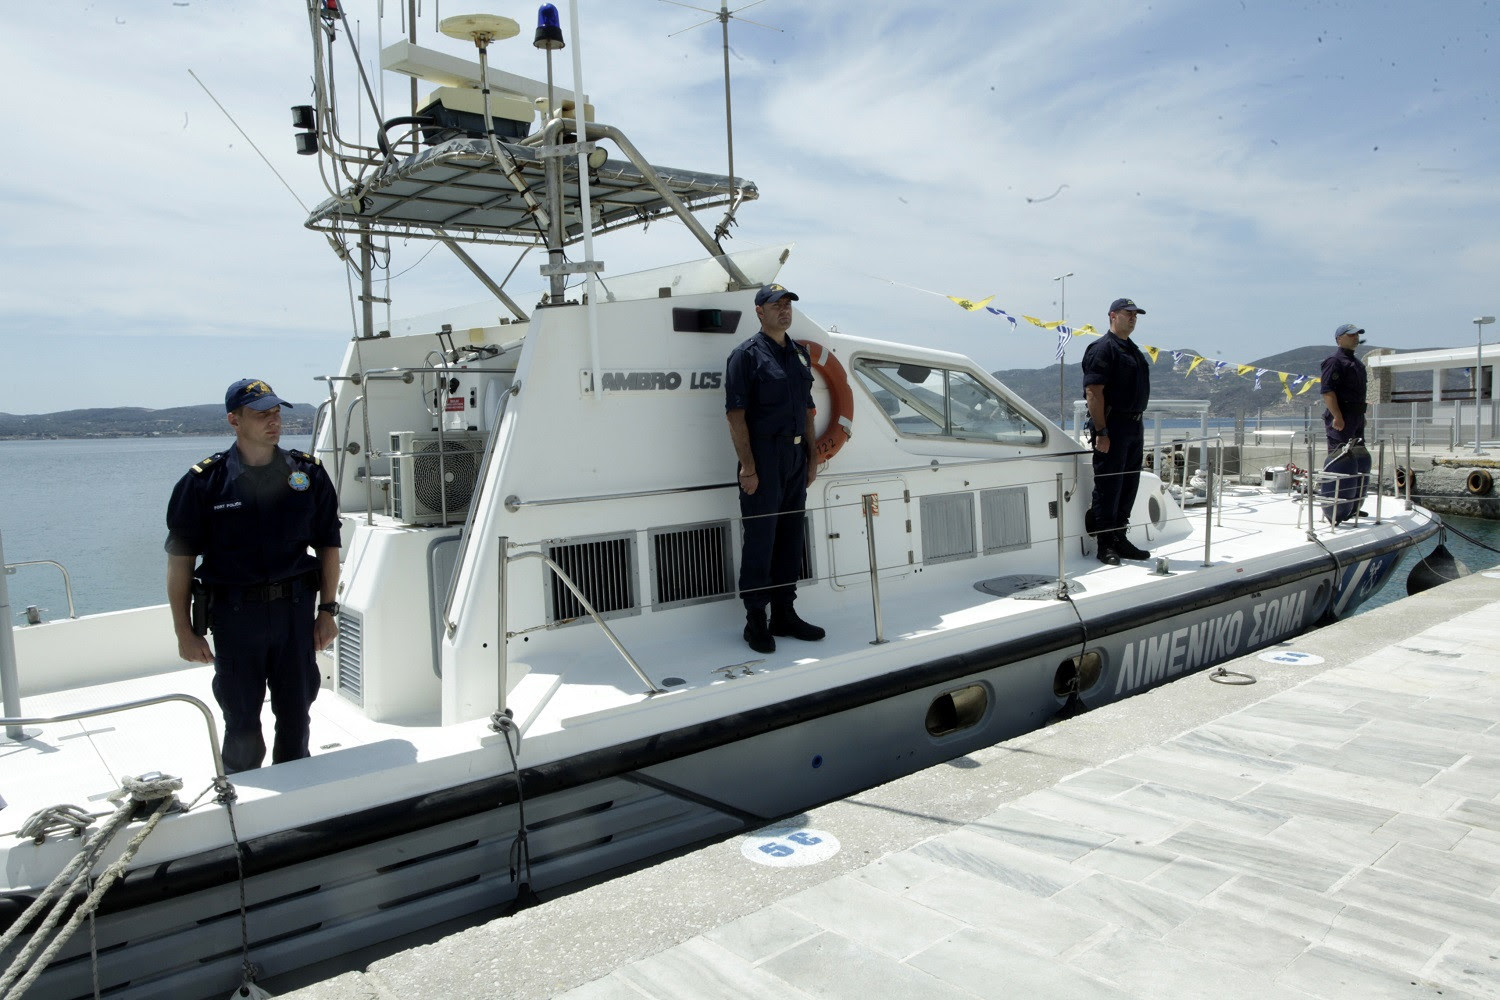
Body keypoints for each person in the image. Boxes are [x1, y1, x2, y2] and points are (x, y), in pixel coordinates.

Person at [165, 379, 342, 773]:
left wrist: (327, 611)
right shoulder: (203, 484)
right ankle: (245, 805)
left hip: (294, 616)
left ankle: (295, 803)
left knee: (297, 718)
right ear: (234, 419)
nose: (274, 422)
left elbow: (329, 547)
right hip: (235, 620)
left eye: (277, 413)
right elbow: (180, 564)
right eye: (262, 414)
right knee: (241, 723)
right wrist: (184, 632)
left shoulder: (307, 476)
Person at [725, 284, 826, 654]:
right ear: (759, 312)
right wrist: (749, 468)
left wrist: (812, 459)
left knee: (789, 538)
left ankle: (785, 612)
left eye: (787, 305)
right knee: (761, 540)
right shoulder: (746, 356)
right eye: (776, 305)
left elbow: (807, 410)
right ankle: (756, 621)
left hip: (796, 459)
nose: (784, 311)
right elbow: (735, 417)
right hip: (764, 459)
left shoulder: (799, 354)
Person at [1082, 298, 1152, 565]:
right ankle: (1105, 543)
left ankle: (1120, 537)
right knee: (1109, 485)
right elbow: (1094, 391)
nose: (1133, 318)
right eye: (1128, 313)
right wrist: (1102, 431)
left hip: (1135, 426)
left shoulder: (1133, 350)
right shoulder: (1103, 349)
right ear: (1113, 315)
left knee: (1128, 484)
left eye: (1136, 315)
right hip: (1113, 426)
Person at [1321, 323, 1367, 450]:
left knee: (1359, 458)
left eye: (1357, 334)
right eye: (1351, 334)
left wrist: (1361, 417)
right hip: (1343, 415)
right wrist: (1337, 416)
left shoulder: (1358, 364)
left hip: (1357, 416)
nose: (1356, 337)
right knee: (1341, 456)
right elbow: (1327, 391)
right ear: (1339, 339)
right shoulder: (1334, 361)